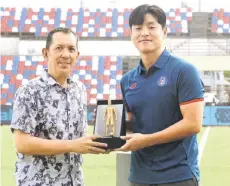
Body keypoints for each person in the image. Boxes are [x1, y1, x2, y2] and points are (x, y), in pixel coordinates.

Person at [117, 4, 204, 186]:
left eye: (151, 27)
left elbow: (193, 124)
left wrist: (146, 140)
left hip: (178, 176)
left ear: (164, 32)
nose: (144, 33)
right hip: (139, 177)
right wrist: (110, 129)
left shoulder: (184, 71)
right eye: (138, 28)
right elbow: (131, 125)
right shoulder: (127, 80)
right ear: (131, 34)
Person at [11, 27, 107, 186]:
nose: (66, 54)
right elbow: (22, 143)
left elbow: (80, 138)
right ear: (45, 53)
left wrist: (103, 143)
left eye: (71, 49)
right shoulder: (29, 91)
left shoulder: (79, 89)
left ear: (77, 55)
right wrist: (73, 145)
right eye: (59, 48)